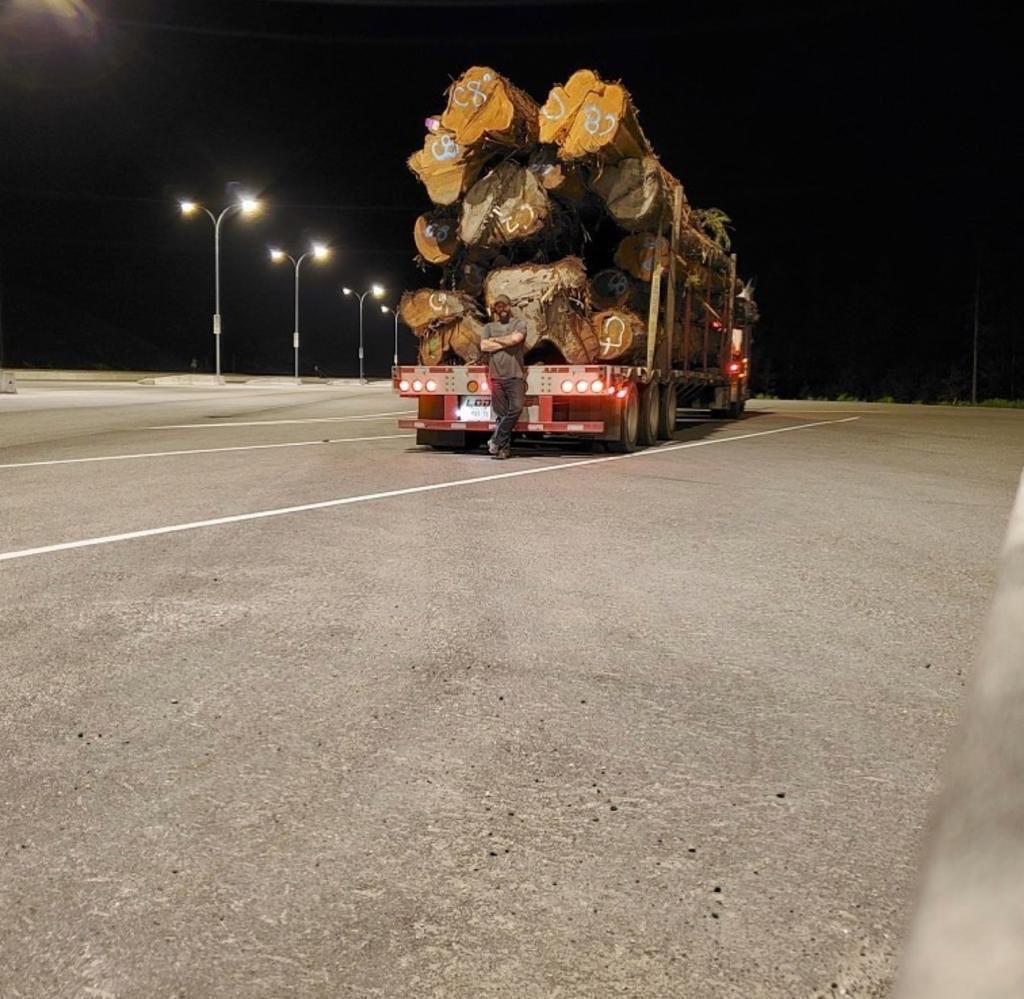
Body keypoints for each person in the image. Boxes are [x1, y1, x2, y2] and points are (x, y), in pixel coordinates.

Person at [479, 295, 527, 459]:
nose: (502, 309)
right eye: (498, 307)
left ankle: (495, 440)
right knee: (501, 413)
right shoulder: (488, 327)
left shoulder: (519, 324)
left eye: (504, 306)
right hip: (496, 377)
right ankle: (503, 449)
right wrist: (504, 341)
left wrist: (495, 341)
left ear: (509, 306)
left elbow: (516, 339)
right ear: (495, 309)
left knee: (516, 408)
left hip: (515, 376)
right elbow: (484, 346)